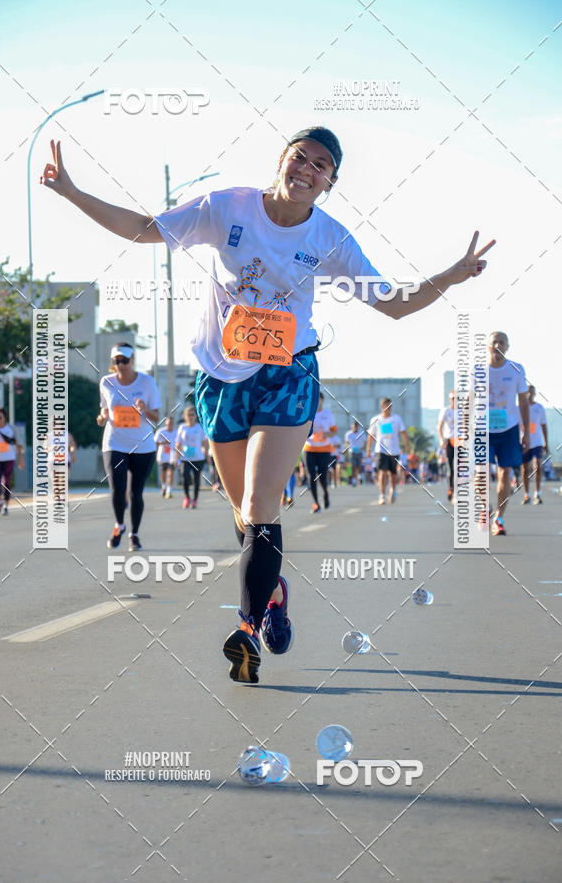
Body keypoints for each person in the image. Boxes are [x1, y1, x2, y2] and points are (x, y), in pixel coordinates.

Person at [42, 127, 494, 683]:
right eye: (300, 156)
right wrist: (70, 191)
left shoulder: (330, 236)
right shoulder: (225, 207)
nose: (307, 168)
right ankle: (274, 592)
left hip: (289, 373)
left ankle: (247, 626)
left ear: (329, 183)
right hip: (221, 377)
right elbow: (142, 229)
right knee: (246, 515)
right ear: (281, 159)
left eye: (321, 165)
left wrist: (454, 272)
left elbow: (393, 304)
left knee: (260, 502)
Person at [97, 343, 161, 551]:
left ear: (132, 360)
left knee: (136, 493)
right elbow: (104, 411)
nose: (121, 365)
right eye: (117, 361)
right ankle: (119, 525)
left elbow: (157, 417)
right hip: (114, 442)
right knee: (117, 489)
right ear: (113, 363)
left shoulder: (147, 382)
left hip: (142, 445)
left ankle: (134, 534)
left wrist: (144, 409)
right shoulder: (106, 382)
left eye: (125, 360)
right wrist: (102, 417)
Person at [487, 331, 529, 536]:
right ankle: (484, 507)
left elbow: (523, 401)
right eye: (494, 341)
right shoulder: (478, 371)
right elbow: (468, 401)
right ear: (488, 346)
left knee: (505, 473)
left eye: (501, 342)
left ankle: (499, 518)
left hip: (509, 429)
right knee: (481, 472)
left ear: (507, 347)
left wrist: (526, 433)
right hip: (483, 429)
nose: (497, 345)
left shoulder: (516, 369)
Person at [366, 398, 409, 505]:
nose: (388, 409)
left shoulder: (396, 419)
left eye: (390, 406)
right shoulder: (375, 419)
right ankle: (382, 496)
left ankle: (393, 491)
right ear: (382, 407)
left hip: (394, 450)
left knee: (393, 474)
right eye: (386, 406)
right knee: (382, 472)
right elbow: (371, 435)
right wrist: (368, 448)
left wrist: (407, 444)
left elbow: (403, 432)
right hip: (380, 450)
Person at [304, 392, 338, 513]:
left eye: (319, 399)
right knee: (311, 477)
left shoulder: (327, 414)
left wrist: (326, 435)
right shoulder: (307, 412)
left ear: (322, 400)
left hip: (324, 449)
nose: (316, 401)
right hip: (309, 448)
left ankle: (325, 494)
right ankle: (315, 503)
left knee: (322, 477)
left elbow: (334, 430)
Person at [174, 406, 209, 509]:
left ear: (195, 416)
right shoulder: (182, 427)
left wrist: (207, 456)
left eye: (192, 414)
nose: (190, 417)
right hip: (185, 458)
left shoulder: (199, 427)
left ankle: (195, 500)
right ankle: (187, 498)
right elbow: (178, 444)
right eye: (188, 415)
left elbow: (205, 443)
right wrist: (176, 457)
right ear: (185, 416)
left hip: (198, 458)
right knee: (185, 477)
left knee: (196, 479)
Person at [521, 384, 548, 505]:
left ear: (535, 393)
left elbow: (543, 425)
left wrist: (546, 442)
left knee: (537, 466)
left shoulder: (539, 408)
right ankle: (527, 495)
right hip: (523, 443)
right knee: (525, 469)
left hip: (537, 443)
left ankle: (537, 494)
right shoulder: (518, 408)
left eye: (532, 392)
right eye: (528, 392)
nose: (530, 394)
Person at [438, 390, 457, 500]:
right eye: (453, 398)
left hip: (461, 440)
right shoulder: (446, 411)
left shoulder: (464, 410)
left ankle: (458, 490)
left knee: (459, 467)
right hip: (450, 440)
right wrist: (441, 440)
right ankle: (451, 487)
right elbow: (440, 427)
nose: (455, 400)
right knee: (451, 466)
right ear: (450, 400)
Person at [154, 416, 177, 498]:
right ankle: (163, 486)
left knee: (170, 473)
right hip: (162, 456)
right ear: (165, 423)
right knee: (163, 473)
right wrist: (163, 443)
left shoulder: (176, 432)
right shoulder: (160, 431)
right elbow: (154, 443)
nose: (170, 424)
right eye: (169, 422)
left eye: (171, 423)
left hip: (172, 456)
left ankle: (169, 490)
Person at [345, 419, 365, 486]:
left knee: (359, 466)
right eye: (353, 427)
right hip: (352, 452)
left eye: (355, 427)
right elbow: (346, 443)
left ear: (357, 427)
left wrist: (362, 448)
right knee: (353, 466)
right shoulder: (348, 434)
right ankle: (353, 481)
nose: (354, 428)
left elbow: (365, 442)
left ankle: (360, 478)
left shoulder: (361, 433)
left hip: (359, 452)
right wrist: (350, 447)